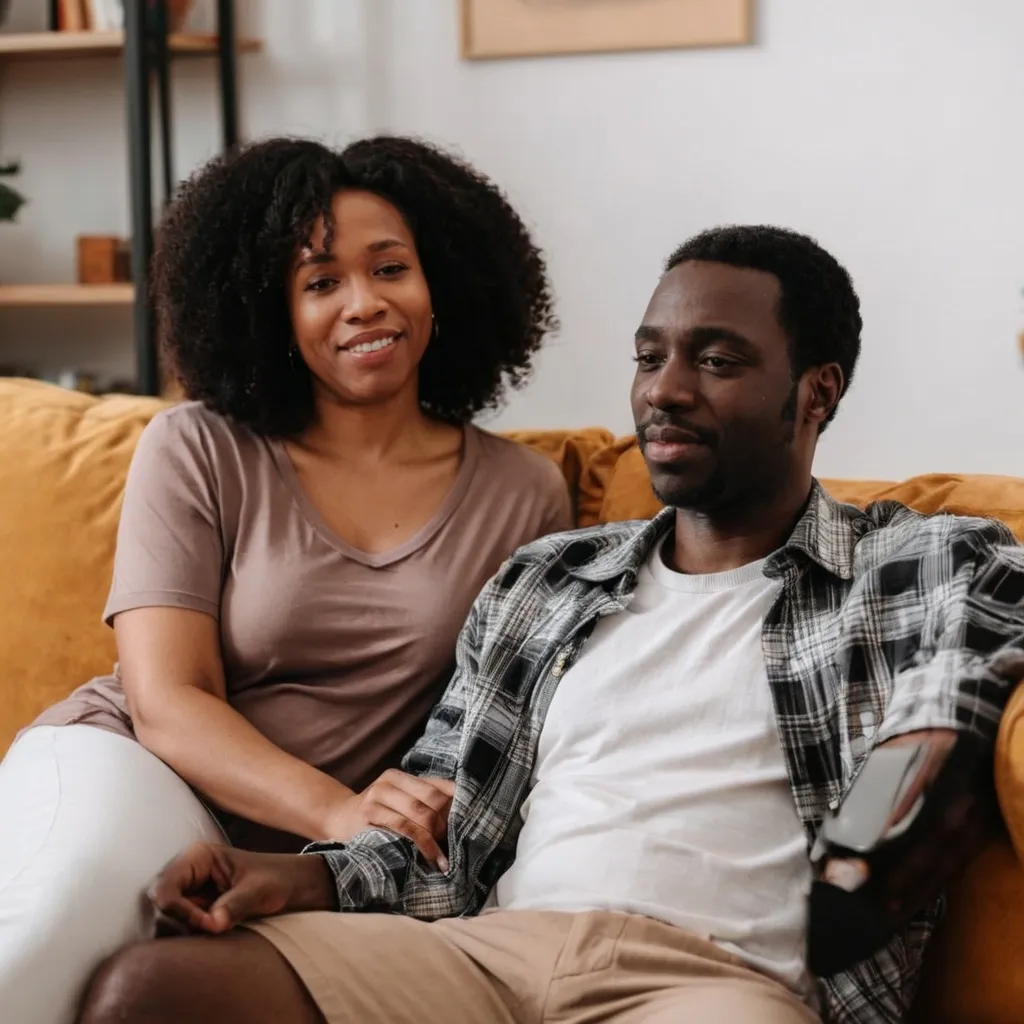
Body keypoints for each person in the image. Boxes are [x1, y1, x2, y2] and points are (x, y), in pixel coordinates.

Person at [77, 226, 1024, 1024]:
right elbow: (451, 822)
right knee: (150, 989)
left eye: (718, 360)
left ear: (816, 393)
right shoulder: (549, 580)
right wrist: (296, 879)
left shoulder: (912, 563)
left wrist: (927, 740)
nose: (666, 389)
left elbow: (1003, 607)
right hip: (490, 959)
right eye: (650, 357)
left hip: (710, 984)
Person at [0, 135, 572, 1024]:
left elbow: (510, 722)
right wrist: (341, 812)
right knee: (45, 943)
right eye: (320, 282)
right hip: (141, 770)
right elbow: (165, 699)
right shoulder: (198, 447)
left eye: (392, 268)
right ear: (273, 310)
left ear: (443, 284)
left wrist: (351, 843)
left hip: (316, 864)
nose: (364, 303)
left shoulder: (523, 494)